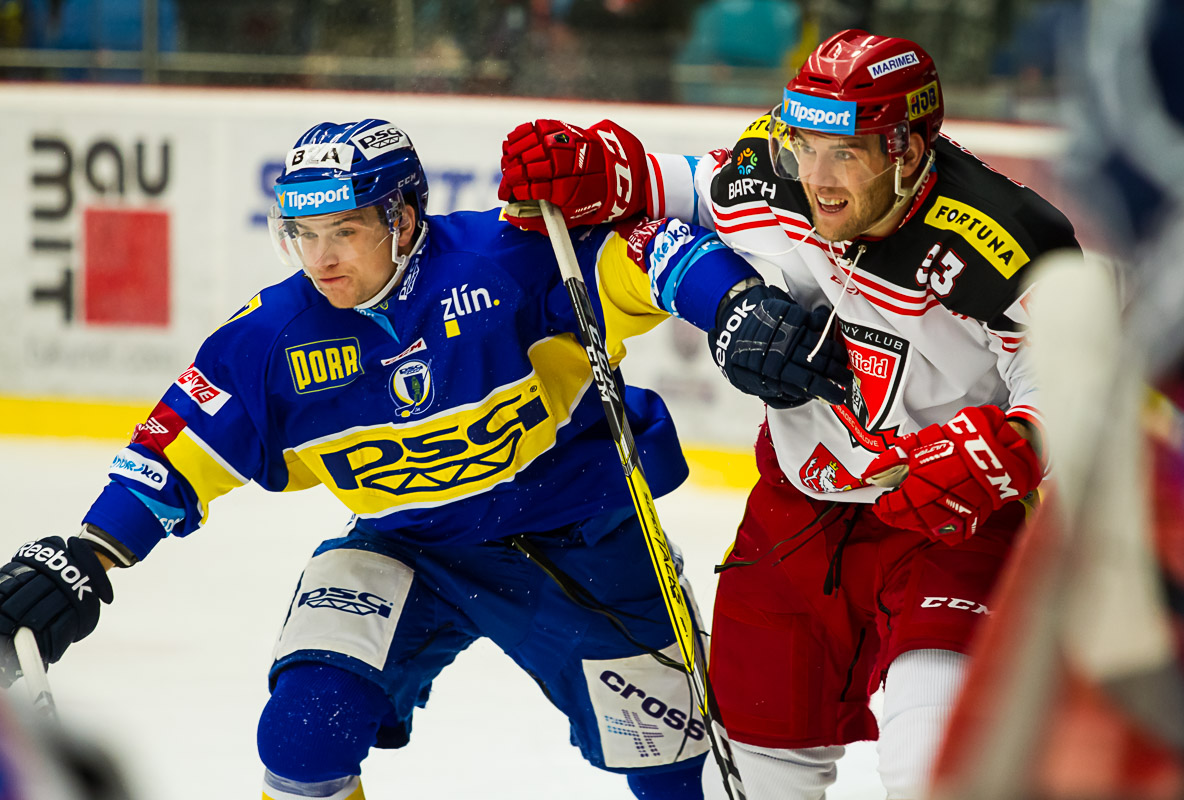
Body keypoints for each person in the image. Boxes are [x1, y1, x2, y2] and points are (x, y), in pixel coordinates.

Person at [0, 118, 807, 800]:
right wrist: (86, 555)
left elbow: (656, 250)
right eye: (303, 235)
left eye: (345, 231)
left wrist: (732, 302)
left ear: (404, 217)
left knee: (677, 771)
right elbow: (174, 454)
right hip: (410, 548)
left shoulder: (510, 257)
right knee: (304, 734)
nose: (321, 260)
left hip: (581, 539)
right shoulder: (269, 340)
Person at [498, 29, 1080, 799]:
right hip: (799, 513)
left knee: (935, 764)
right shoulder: (774, 175)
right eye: (803, 144)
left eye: (845, 153)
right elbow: (674, 189)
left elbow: (1078, 372)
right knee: (754, 769)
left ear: (907, 151)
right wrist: (599, 169)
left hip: (946, 522)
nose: (816, 178)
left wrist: (1018, 441)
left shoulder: (1003, 235)